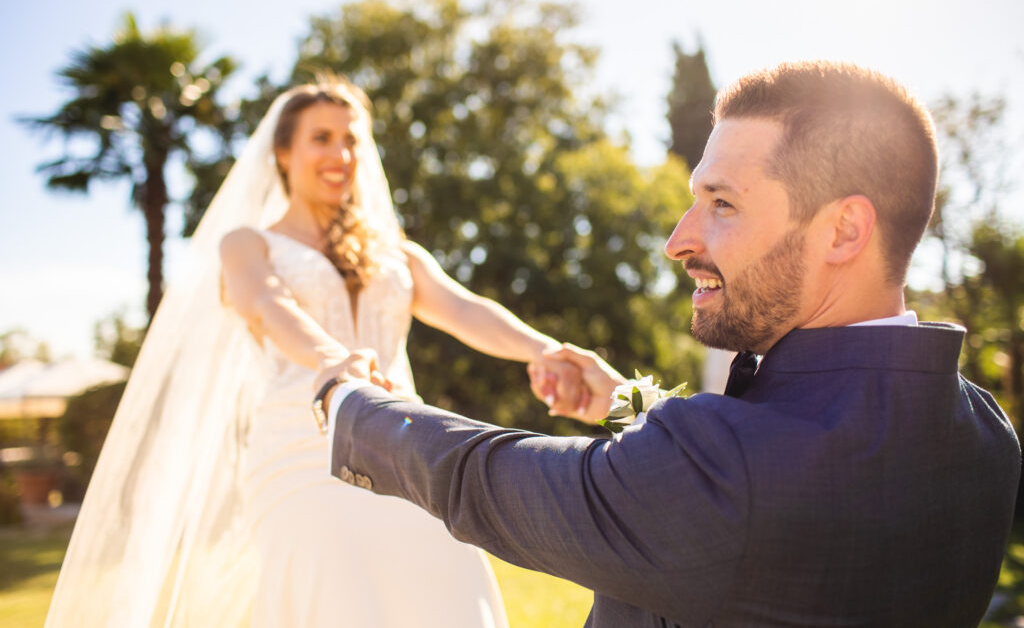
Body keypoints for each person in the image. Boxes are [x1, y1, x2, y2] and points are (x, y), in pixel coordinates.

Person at [316, 60, 1021, 627]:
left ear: (843, 230)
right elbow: (768, 448)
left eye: (722, 204)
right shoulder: (986, 435)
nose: (678, 240)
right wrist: (626, 404)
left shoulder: (729, 472)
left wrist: (353, 403)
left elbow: (484, 479)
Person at [46, 77, 591, 627]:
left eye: (352, 140)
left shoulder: (394, 252)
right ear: (283, 153)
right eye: (322, 138)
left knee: (447, 578)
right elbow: (265, 302)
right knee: (336, 591)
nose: (341, 154)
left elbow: (463, 308)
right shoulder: (247, 244)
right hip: (300, 450)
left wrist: (544, 351)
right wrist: (333, 358)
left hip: (407, 444)